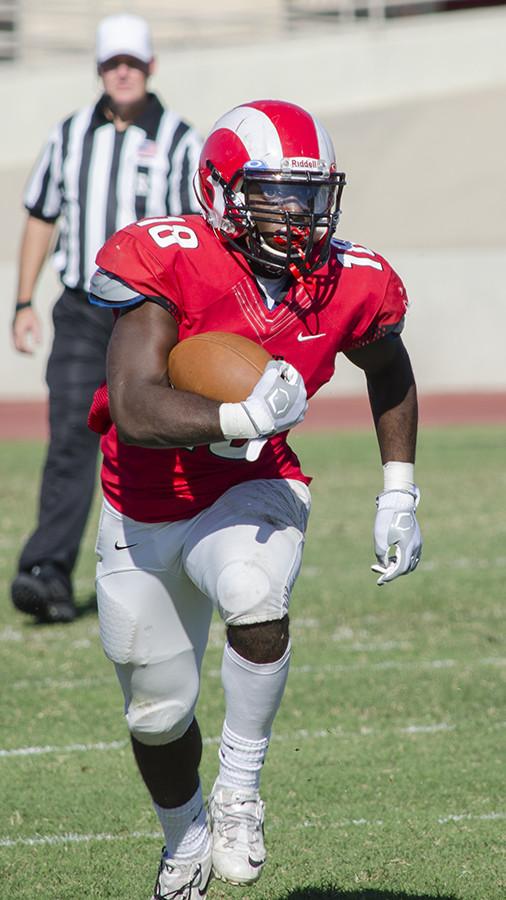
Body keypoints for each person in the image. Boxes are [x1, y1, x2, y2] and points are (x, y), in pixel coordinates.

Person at [87, 99, 423, 899]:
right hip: (139, 502)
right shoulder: (172, 257)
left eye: (310, 196)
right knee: (156, 715)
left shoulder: (351, 278)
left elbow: (390, 368)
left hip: (250, 487)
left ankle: (240, 790)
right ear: (221, 188)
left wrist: (399, 492)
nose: (297, 215)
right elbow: (133, 403)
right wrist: (236, 413)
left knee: (253, 592)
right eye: (274, 192)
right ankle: (185, 837)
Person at [10, 13, 202, 624]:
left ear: (151, 67)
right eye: (113, 62)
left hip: (153, 315)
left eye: (133, 62)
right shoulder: (68, 136)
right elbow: (42, 215)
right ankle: (47, 572)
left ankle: (170, 569)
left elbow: (200, 233)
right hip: (81, 309)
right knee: (70, 436)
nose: (123, 71)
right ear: (99, 68)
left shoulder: (181, 139)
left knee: (155, 437)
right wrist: (22, 302)